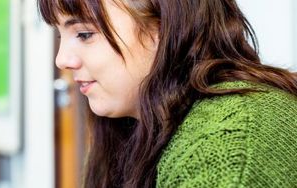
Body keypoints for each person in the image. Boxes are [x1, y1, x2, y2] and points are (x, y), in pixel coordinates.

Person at [38, 0, 297, 187]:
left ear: (162, 27)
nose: (62, 60)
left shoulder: (227, 152)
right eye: (62, 37)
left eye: (85, 34)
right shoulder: (132, 125)